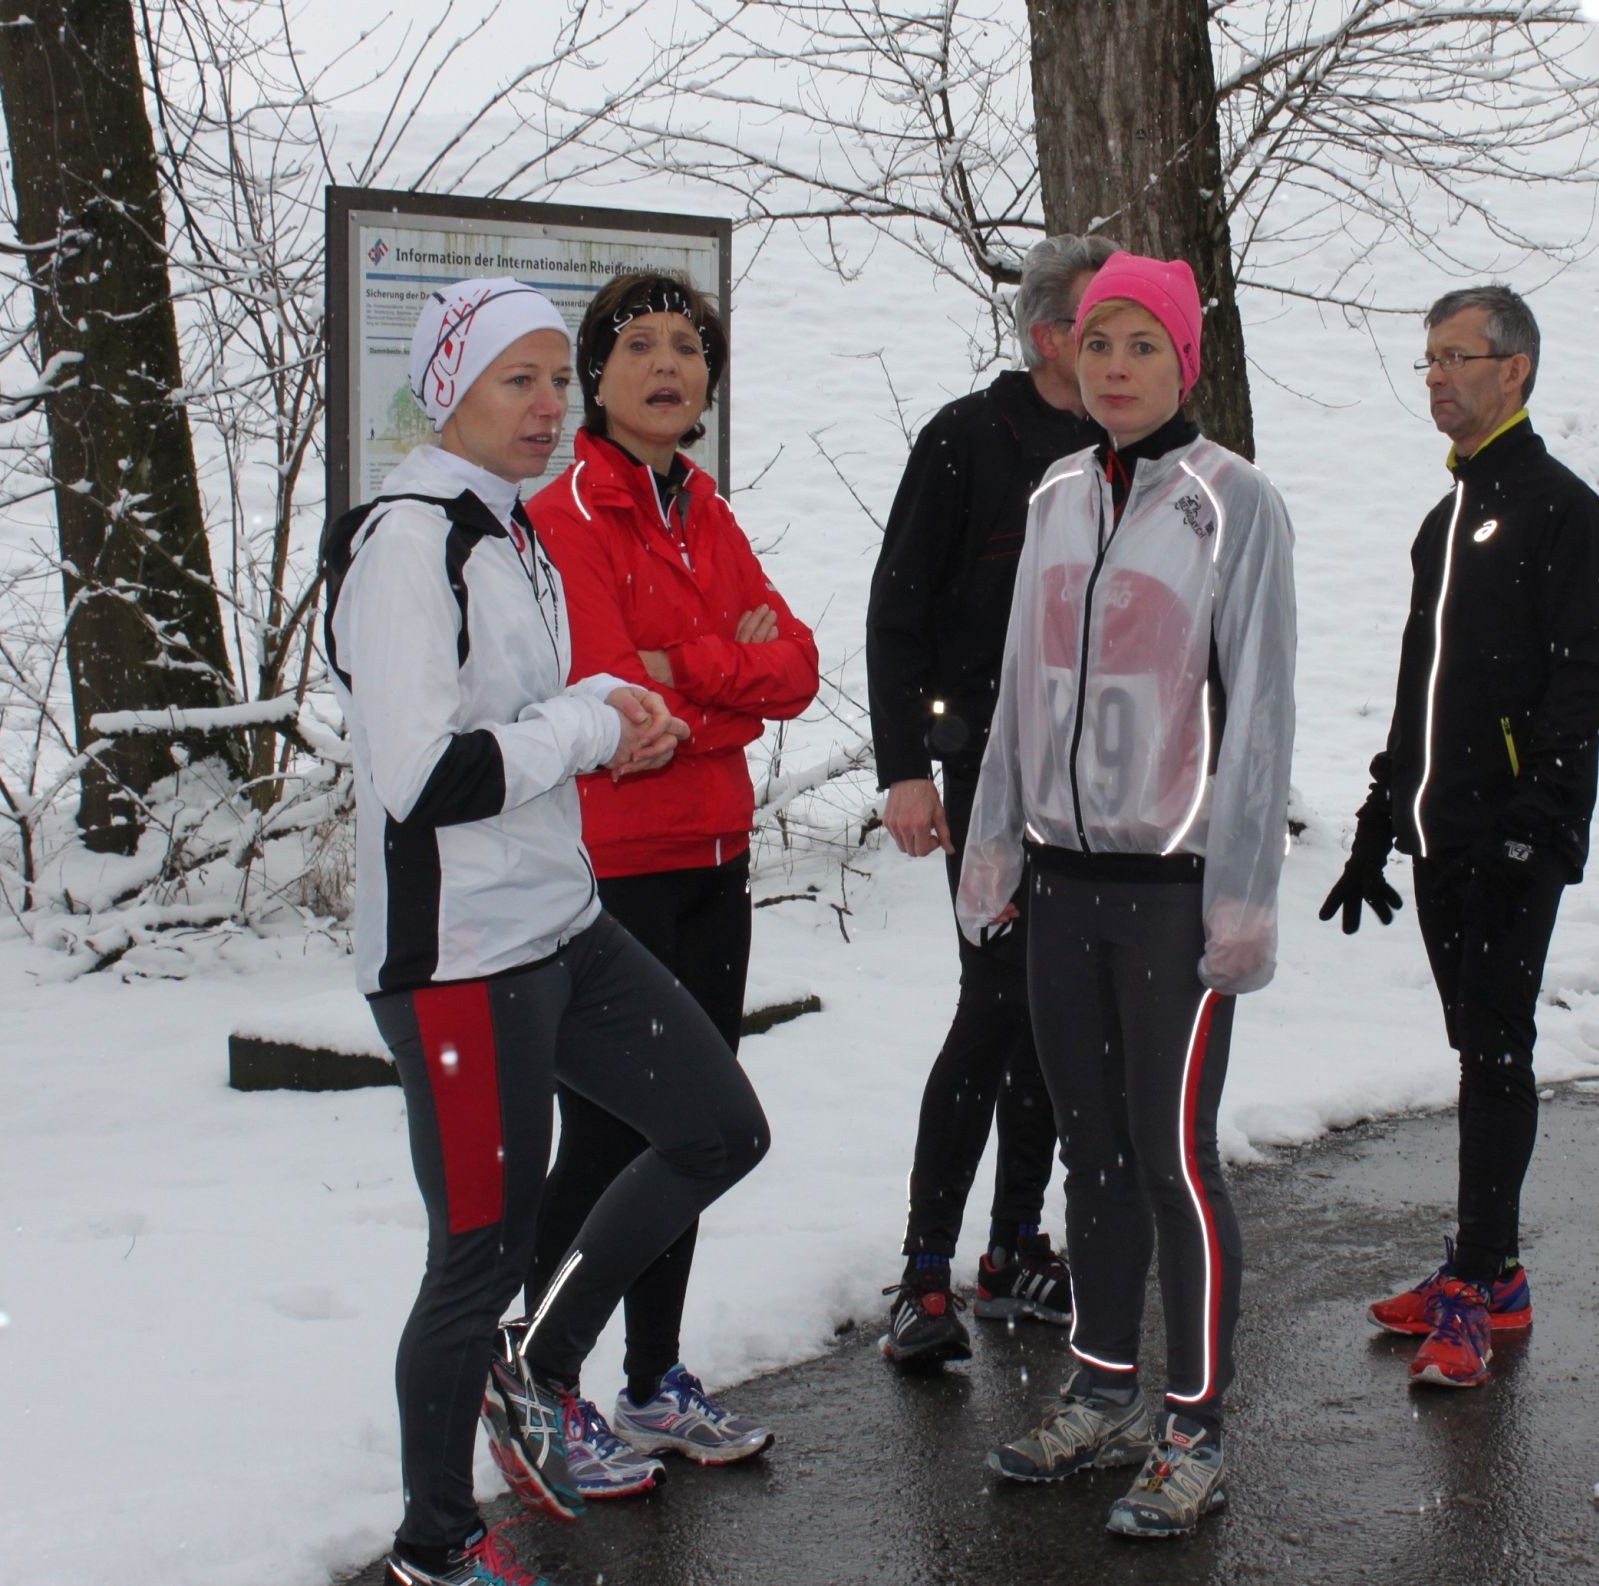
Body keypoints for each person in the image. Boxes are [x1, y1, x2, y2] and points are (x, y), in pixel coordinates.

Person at [323, 278, 770, 1586]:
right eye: (515, 378)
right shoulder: (411, 542)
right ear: (447, 388)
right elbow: (425, 773)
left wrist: (611, 698)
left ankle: (541, 1362)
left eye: (551, 381)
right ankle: (434, 1546)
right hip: (455, 957)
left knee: (717, 1126)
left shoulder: (508, 530)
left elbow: (537, 696)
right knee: (479, 1247)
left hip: (561, 923)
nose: (546, 404)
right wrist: (591, 725)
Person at [955, 252, 1297, 1537]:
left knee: (1170, 1159)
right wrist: (995, 845)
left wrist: (1242, 892)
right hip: (1062, 880)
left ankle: (1194, 1425)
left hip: (1172, 887)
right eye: (1097, 343)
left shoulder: (1233, 501)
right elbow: (1012, 692)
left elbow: (1259, 706)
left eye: (1141, 345)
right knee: (1088, 1148)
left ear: (1185, 359)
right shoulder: (1052, 494)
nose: (1114, 367)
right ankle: (1101, 1388)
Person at [524, 271, 818, 1463]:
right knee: (601, 1142)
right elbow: (610, 692)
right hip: (607, 872)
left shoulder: (707, 509)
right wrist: (713, 678)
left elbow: (792, 667)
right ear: (596, 373)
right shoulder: (565, 516)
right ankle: (539, 1385)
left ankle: (651, 1377)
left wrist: (686, 671)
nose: (666, 364)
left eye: (688, 346)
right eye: (637, 343)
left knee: (693, 1130)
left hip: (714, 857)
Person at [1319, 284, 1599, 1390]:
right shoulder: (1443, 522)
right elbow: (1422, 689)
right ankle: (1492, 1272)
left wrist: (1535, 820)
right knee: (1476, 1045)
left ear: (1518, 369)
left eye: (1460, 356)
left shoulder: (1563, 511)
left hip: (1511, 842)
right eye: (1428, 358)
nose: (1439, 376)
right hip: (1441, 838)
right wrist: (1375, 818)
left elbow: (1584, 682)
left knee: (1498, 1050)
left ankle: (1480, 1283)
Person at [866, 233, 1116, 1367]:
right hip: (988, 776)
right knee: (993, 1007)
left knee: (1056, 1022)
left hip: (1104, 785)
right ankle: (925, 1268)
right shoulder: (970, 439)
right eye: (1100, 326)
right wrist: (909, 768)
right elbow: (897, 611)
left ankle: (1016, 1244)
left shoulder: (1132, 448)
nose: (1119, 349)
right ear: (1050, 332)